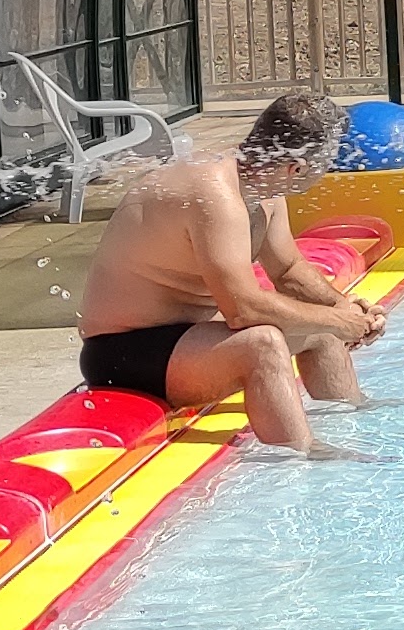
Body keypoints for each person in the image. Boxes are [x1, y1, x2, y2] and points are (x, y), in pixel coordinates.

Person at [73, 85, 387, 442]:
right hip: (123, 353)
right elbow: (243, 311)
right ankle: (303, 457)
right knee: (263, 343)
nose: (325, 173)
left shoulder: (264, 187)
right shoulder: (216, 194)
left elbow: (288, 270)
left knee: (322, 328)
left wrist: (345, 310)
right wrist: (338, 320)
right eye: (325, 165)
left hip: (188, 340)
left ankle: (354, 425)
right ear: (296, 168)